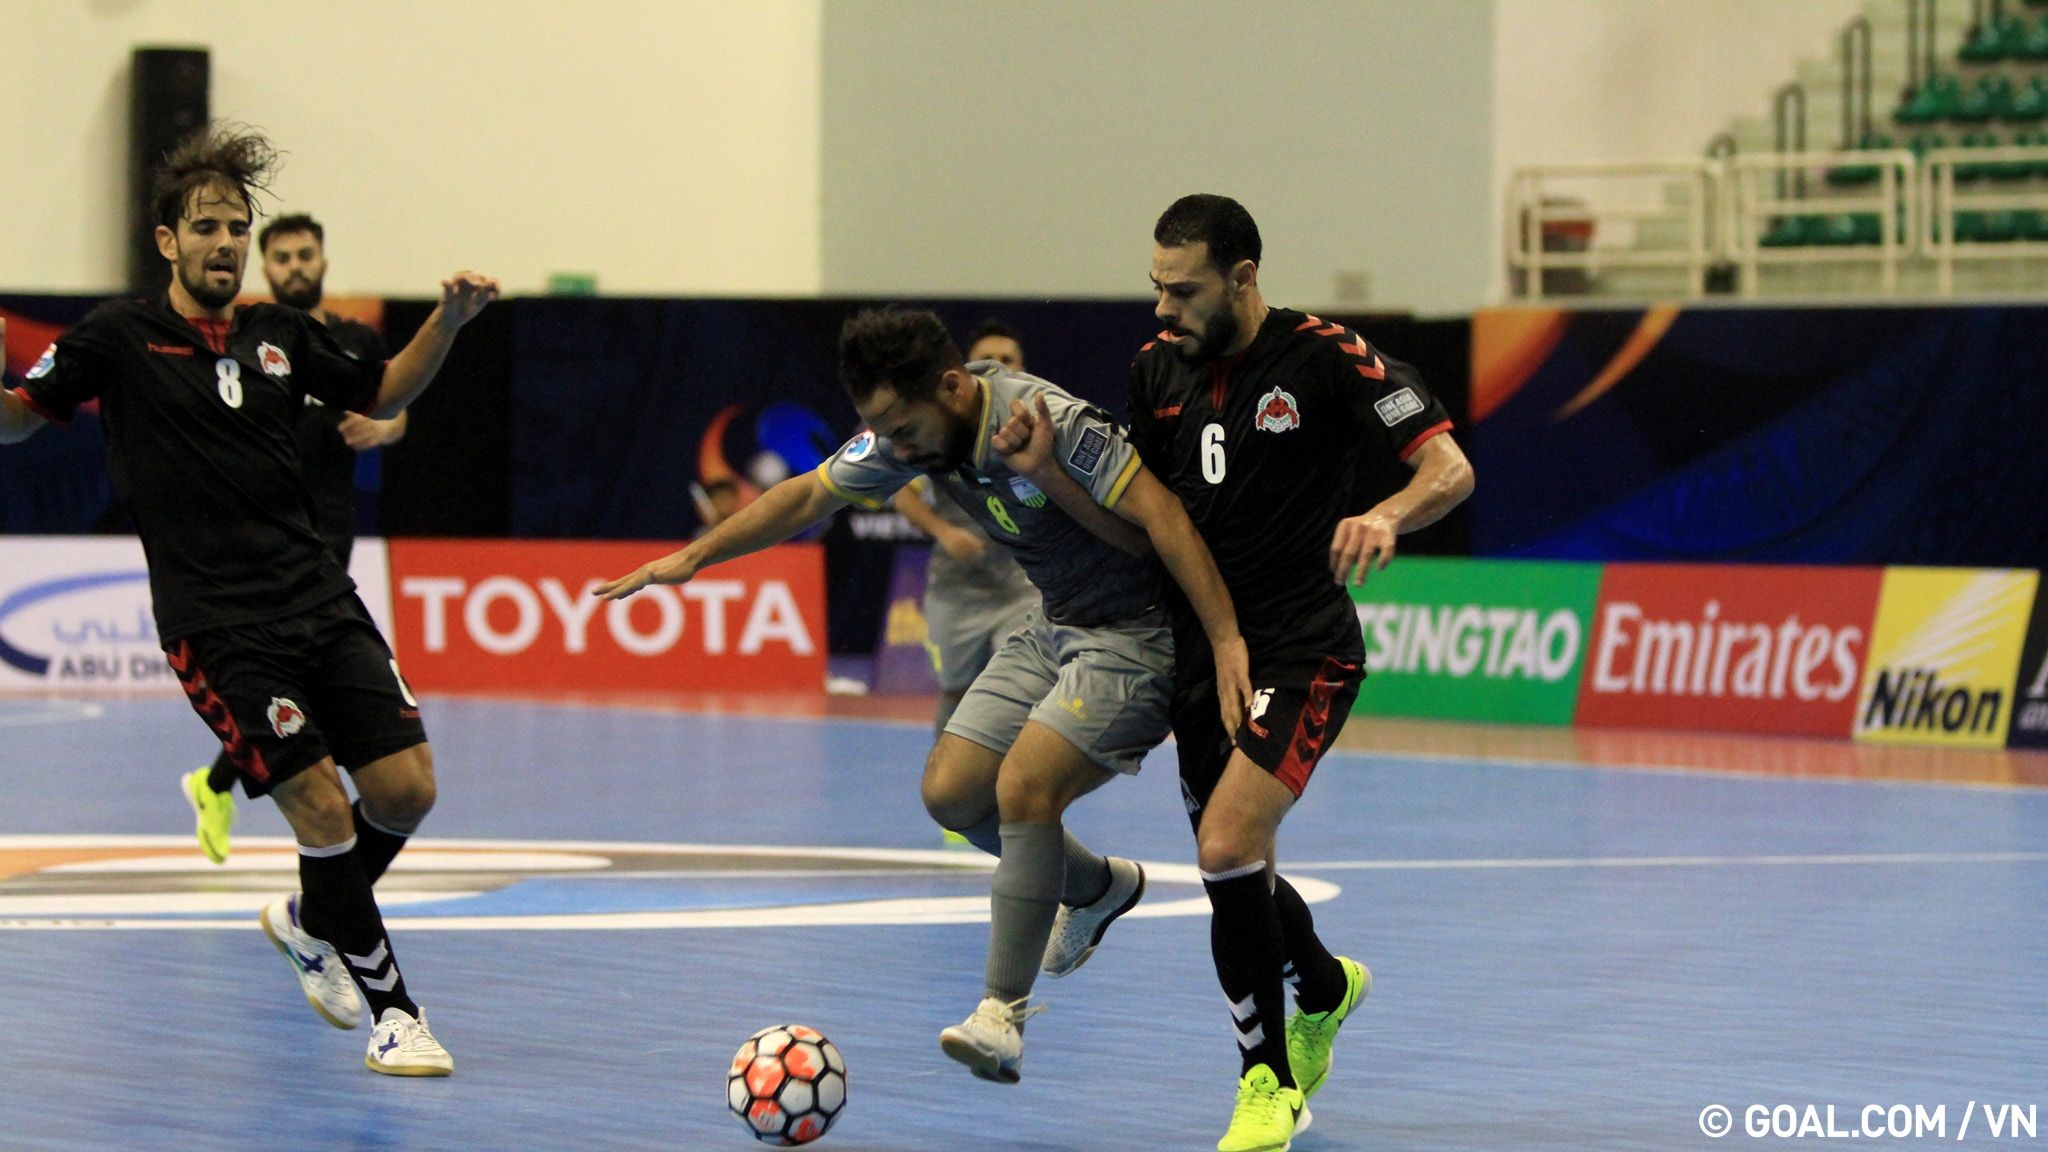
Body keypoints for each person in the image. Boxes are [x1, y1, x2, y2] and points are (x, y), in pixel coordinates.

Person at [597, 307, 1251, 1084]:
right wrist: (695, 557)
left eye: (903, 429)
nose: (897, 450)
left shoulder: (1049, 422)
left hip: (1142, 633)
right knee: (953, 793)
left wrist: (1224, 640)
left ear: (951, 387)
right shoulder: (915, 429)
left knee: (1025, 786)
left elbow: (1162, 523)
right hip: (1058, 621)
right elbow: (809, 496)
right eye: (885, 432)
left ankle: (1000, 1015)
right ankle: (1098, 887)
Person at [0, 125, 498, 1076]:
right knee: (321, 808)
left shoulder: (283, 334)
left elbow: (386, 389)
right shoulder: (118, 338)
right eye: (207, 228)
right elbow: (19, 423)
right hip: (218, 624)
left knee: (407, 790)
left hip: (318, 595)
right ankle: (398, 1013)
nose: (226, 242)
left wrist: (449, 322)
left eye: (237, 226)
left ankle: (313, 922)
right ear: (167, 242)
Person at [1134, 195, 1474, 1152]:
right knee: (1237, 872)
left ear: (1243, 279)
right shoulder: (1154, 369)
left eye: (1184, 290)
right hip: (1203, 648)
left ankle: (1265, 1084)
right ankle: (1323, 987)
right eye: (1156, 286)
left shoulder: (1328, 355)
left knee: (1224, 843)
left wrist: (1388, 516)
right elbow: (1144, 515)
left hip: (1302, 642)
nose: (1164, 308)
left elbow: (1450, 469)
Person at [180, 212, 407, 866]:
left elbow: (396, 403)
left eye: (306, 255)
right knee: (302, 697)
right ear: (265, 267)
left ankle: (215, 783)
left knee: (305, 694)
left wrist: (383, 429)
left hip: (334, 537)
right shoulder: (241, 345)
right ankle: (237, 795)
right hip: (266, 544)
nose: (296, 267)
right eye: (282, 258)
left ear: (323, 261)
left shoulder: (352, 342)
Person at [890, 320, 1038, 736]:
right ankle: (951, 790)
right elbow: (903, 492)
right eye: (988, 359)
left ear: (1022, 367)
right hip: (957, 591)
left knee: (1022, 692)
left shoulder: (1043, 420)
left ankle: (1016, 792)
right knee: (956, 693)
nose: (998, 366)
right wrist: (944, 532)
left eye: (1007, 359)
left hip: (1020, 588)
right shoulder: (941, 431)